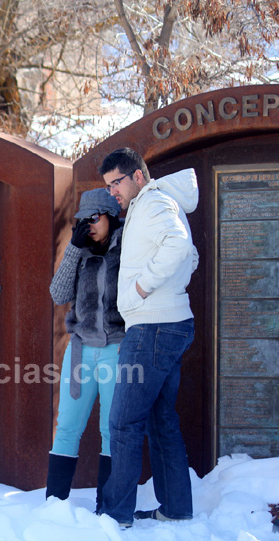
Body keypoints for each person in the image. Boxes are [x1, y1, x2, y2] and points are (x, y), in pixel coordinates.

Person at [98, 147, 199, 528]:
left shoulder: (153, 203)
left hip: (152, 328)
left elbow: (179, 245)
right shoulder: (159, 203)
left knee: (123, 423)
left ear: (138, 176)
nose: (113, 192)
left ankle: (115, 515)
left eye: (116, 183)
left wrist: (142, 287)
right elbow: (190, 256)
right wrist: (169, 285)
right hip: (168, 323)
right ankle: (175, 507)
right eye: (108, 186)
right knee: (161, 420)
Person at [46, 188, 125, 512]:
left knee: (111, 429)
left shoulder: (128, 248)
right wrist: (73, 249)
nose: (88, 226)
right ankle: (54, 507)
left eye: (94, 218)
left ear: (111, 216)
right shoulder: (80, 252)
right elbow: (58, 294)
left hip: (116, 350)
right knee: (67, 426)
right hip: (80, 352)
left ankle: (108, 509)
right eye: (83, 220)